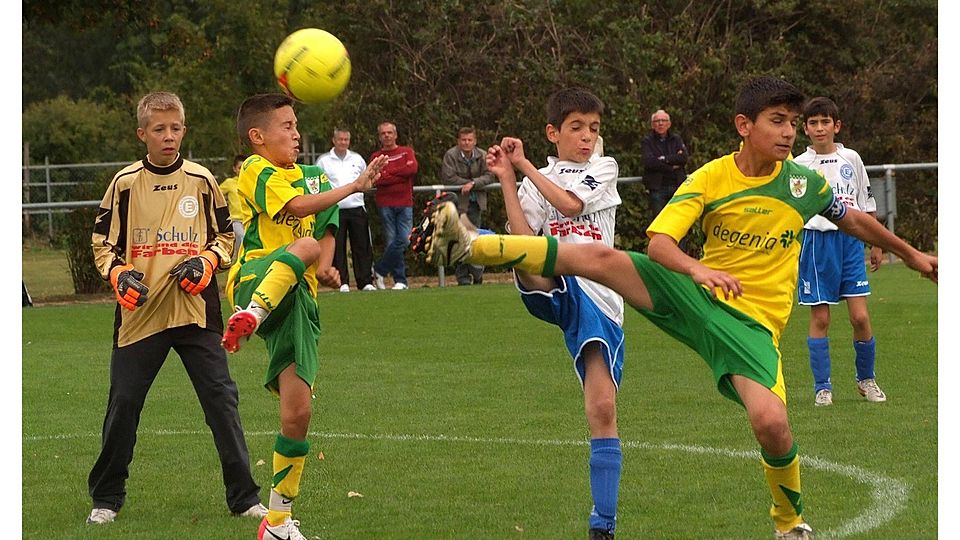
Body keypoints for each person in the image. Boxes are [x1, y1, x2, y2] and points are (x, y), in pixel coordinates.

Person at [427, 76, 937, 539]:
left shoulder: (803, 184)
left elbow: (852, 220)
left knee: (772, 424)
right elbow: (659, 243)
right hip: (695, 296)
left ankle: (788, 525)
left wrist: (911, 254)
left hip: (752, 326)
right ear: (745, 125)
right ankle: (472, 245)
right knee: (603, 257)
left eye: (793, 124)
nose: (789, 134)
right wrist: (697, 270)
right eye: (777, 122)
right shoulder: (710, 178)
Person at [433, 88, 626, 540]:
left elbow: (570, 205)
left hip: (600, 297)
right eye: (577, 128)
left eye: (593, 129)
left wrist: (522, 167)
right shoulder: (540, 175)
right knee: (531, 259)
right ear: (553, 132)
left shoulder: (604, 167)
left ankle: (603, 525)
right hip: (558, 283)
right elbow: (526, 239)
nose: (587, 137)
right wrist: (505, 177)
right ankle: (470, 240)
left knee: (602, 409)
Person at [86, 91, 266, 525]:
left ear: (184, 130)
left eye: (175, 128)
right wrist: (118, 275)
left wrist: (206, 261)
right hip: (140, 315)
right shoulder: (124, 184)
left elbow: (225, 238)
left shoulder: (202, 180)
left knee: (221, 400)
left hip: (195, 312)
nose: (168, 137)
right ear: (142, 134)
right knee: (124, 404)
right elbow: (101, 243)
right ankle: (106, 499)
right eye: (159, 129)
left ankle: (244, 499)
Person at [220, 93, 386, 540]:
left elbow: (325, 226)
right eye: (287, 126)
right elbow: (295, 211)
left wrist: (328, 267)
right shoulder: (256, 169)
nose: (296, 133)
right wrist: (354, 186)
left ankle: (276, 523)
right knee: (304, 248)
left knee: (298, 414)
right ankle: (250, 314)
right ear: (257, 137)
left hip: (299, 299)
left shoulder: (314, 177)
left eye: (297, 125)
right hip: (257, 275)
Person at [793, 97, 886, 406]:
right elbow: (790, 211)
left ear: (837, 126)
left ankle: (867, 379)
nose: (820, 128)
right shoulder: (797, 166)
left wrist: (877, 242)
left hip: (850, 243)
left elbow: (865, 202)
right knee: (821, 318)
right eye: (813, 123)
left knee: (860, 317)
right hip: (816, 244)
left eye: (825, 122)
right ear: (805, 128)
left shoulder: (852, 158)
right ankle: (823, 387)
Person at [317, 127, 377, 292]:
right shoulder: (323, 161)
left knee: (362, 246)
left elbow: (365, 179)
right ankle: (342, 282)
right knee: (337, 246)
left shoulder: (357, 159)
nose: (343, 142)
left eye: (346, 140)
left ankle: (365, 282)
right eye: (340, 139)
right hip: (335, 208)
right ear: (334, 140)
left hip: (357, 208)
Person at [440, 126, 497, 285]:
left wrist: (473, 184)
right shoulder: (450, 156)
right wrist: (466, 184)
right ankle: (463, 278)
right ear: (459, 141)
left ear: (475, 141)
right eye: (463, 140)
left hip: (476, 204)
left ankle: (477, 274)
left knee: (475, 240)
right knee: (459, 240)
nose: (466, 143)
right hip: (457, 204)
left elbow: (490, 175)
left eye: (469, 140)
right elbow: (448, 177)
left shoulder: (483, 155)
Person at [370, 121, 418, 290]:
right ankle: (400, 280)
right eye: (383, 133)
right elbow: (378, 178)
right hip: (385, 203)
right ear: (379, 137)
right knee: (392, 241)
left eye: (390, 132)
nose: (387, 136)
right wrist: (399, 174)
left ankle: (379, 270)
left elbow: (411, 170)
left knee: (404, 239)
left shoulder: (407, 152)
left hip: (405, 202)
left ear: (395, 135)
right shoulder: (376, 156)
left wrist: (389, 173)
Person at [640, 109, 687, 218]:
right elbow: (649, 162)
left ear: (669, 124)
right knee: (659, 222)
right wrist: (671, 166)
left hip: (677, 186)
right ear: (652, 125)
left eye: (663, 120)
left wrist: (663, 159)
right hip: (658, 188)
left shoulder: (676, 139)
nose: (660, 123)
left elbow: (683, 158)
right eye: (657, 121)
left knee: (678, 221)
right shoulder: (647, 141)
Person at [220, 154, 247, 263]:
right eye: (240, 168)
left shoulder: (251, 182)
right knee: (241, 237)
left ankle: (241, 259)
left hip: (249, 219)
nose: (242, 170)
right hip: (236, 219)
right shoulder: (229, 183)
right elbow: (217, 193)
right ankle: (240, 260)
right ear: (235, 169)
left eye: (244, 168)